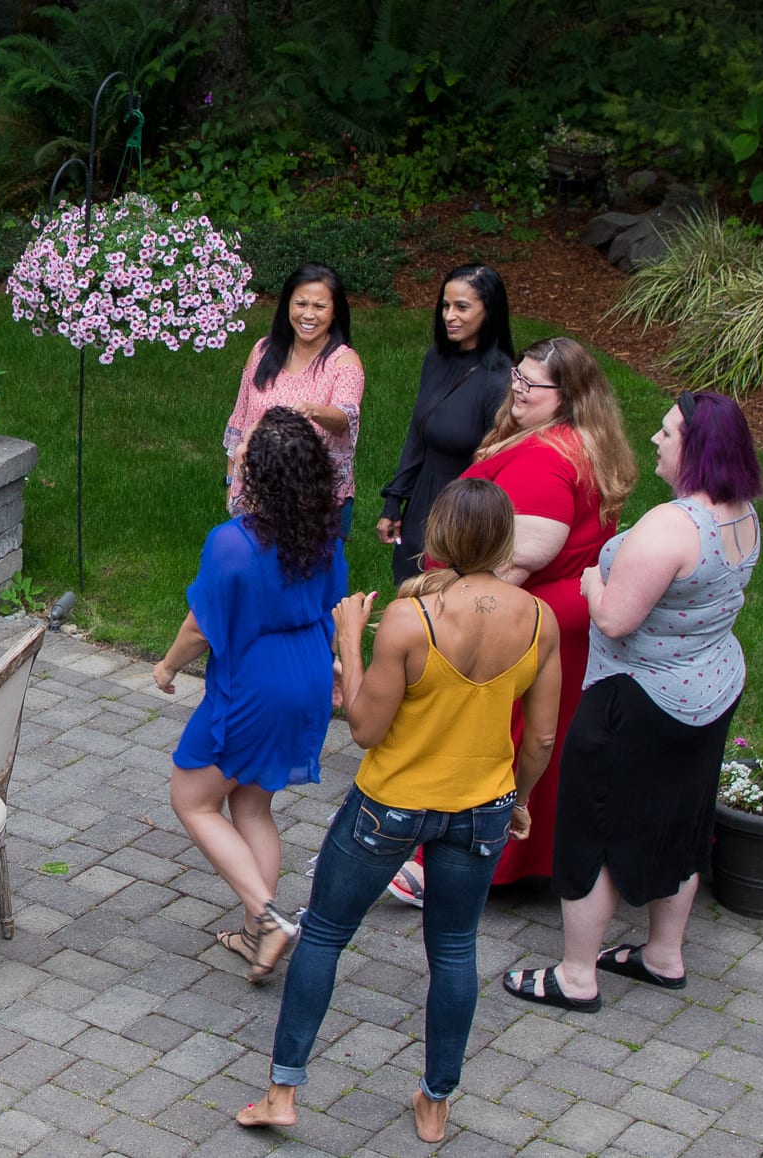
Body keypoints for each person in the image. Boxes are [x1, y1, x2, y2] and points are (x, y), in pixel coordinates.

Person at [237, 480, 561, 1144]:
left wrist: (350, 639)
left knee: (325, 934)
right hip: (480, 811)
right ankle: (436, 1103)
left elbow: (364, 728)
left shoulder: (413, 622)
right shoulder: (538, 620)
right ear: (503, 540)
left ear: (438, 537)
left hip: (389, 806)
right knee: (454, 949)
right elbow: (542, 739)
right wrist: (519, 800)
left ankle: (282, 1093)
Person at [504, 390, 761, 1011]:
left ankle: (576, 976)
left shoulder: (671, 526)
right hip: (710, 689)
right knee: (682, 819)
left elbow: (616, 621)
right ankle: (663, 956)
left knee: (592, 829)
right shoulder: (743, 512)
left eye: (668, 433)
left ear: (696, 450)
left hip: (636, 701)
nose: (655, 439)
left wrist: (593, 580)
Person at [388, 336, 634, 907]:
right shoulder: (579, 443)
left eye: (531, 385)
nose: (517, 390)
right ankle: (523, 859)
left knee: (497, 738)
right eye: (517, 378)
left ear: (567, 396)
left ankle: (446, 866)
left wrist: (465, 629)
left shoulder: (548, 459)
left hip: (527, 622)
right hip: (561, 618)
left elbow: (519, 558)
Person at [154, 407, 348, 985]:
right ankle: (253, 934)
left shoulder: (232, 543)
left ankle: (267, 918)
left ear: (257, 471)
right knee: (252, 805)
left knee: (192, 798)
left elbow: (200, 627)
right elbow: (334, 607)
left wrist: (166, 668)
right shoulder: (322, 533)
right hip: (307, 673)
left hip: (256, 685)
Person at [378, 265, 515, 584]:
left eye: (462, 307)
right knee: (408, 593)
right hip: (423, 497)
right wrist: (394, 500)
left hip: (463, 510)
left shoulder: (499, 381)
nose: (449, 316)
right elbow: (418, 433)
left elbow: (496, 466)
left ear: (489, 311)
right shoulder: (437, 358)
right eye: (445, 305)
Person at [224, 264, 366, 539]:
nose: (308, 314)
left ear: (335, 311)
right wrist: (232, 479)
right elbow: (240, 419)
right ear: (287, 305)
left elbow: (345, 417)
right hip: (257, 493)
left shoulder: (344, 362)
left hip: (316, 499)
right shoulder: (262, 351)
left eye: (319, 306)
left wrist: (314, 411)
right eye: (300, 303)